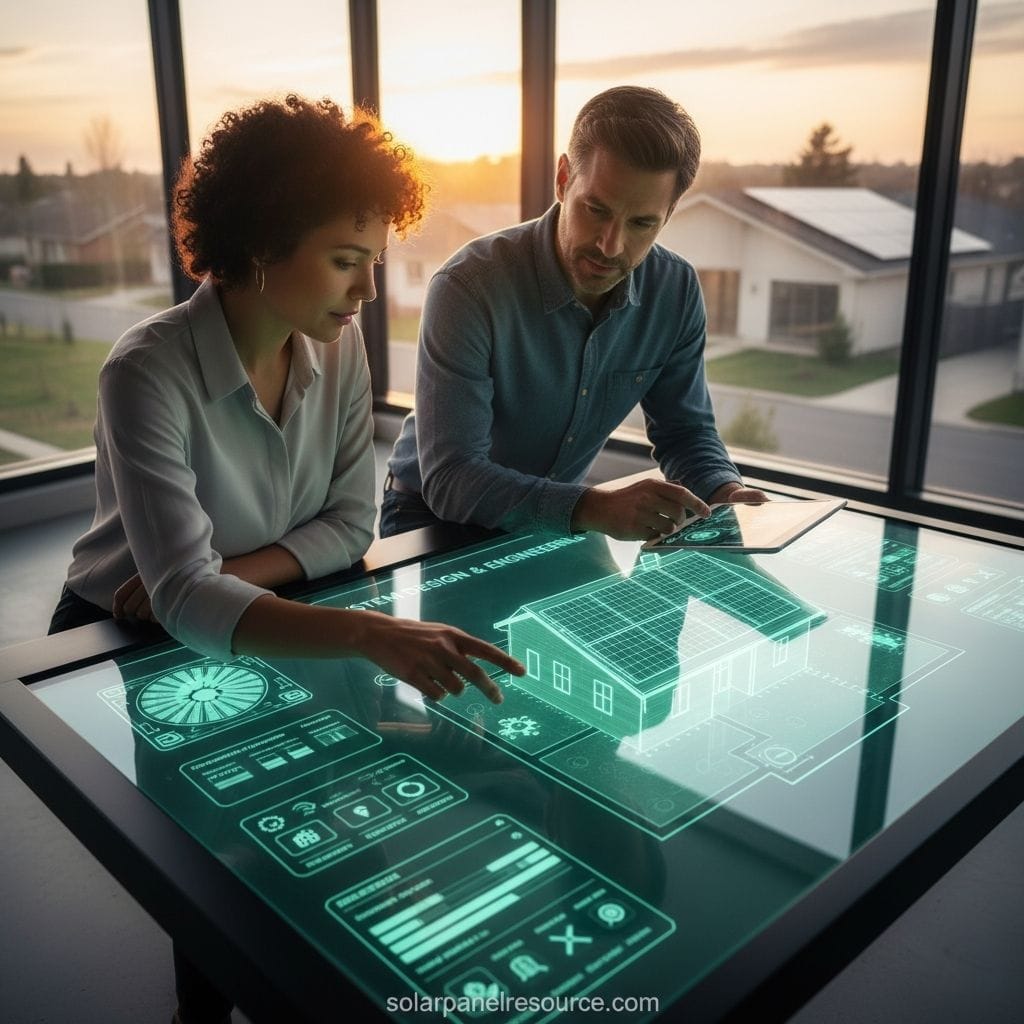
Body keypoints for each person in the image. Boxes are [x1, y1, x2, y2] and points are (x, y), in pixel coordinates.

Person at [48, 94, 523, 1024]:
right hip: (119, 625)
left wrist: (224, 581)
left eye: (374, 263)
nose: (368, 291)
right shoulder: (143, 370)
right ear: (262, 246)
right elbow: (177, 600)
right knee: (209, 857)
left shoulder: (337, 351)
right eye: (348, 262)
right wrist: (347, 629)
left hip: (239, 597)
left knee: (330, 819)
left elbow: (351, 525)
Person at [381, 85, 768, 542]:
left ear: (669, 213)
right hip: (432, 517)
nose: (611, 245)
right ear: (563, 179)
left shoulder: (676, 291)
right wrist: (593, 506)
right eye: (596, 209)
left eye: (641, 222)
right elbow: (452, 479)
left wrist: (727, 490)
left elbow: (686, 433)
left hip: (564, 515)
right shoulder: (468, 286)